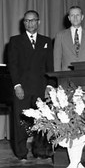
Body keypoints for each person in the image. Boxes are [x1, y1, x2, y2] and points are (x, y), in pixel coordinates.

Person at [7, 10, 54, 160]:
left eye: (33, 20)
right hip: (23, 88)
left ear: (38, 22)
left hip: (41, 87)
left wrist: (49, 86)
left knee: (43, 121)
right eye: (26, 21)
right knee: (21, 122)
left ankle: (42, 151)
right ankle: (21, 153)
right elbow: (12, 66)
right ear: (23, 23)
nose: (30, 23)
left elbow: (50, 66)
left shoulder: (46, 41)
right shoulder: (15, 41)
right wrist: (17, 86)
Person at [54, 6, 85, 71]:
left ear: (82, 17)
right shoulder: (60, 36)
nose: (75, 18)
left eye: (77, 15)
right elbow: (57, 60)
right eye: (72, 15)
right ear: (69, 18)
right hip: (67, 76)